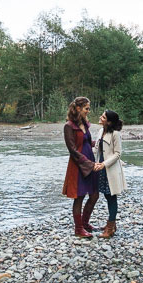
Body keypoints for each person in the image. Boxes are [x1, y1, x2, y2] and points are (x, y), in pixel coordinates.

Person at [62, 97, 100, 238]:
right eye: (86, 108)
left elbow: (87, 143)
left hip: (90, 162)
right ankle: (78, 229)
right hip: (78, 165)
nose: (88, 111)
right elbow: (72, 150)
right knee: (79, 197)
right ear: (78, 108)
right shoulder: (69, 126)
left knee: (94, 194)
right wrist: (89, 164)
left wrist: (101, 143)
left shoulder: (85, 124)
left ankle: (85, 223)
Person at [92, 109, 127, 238]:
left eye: (103, 117)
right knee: (107, 196)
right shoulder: (101, 131)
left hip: (110, 169)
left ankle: (110, 227)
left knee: (111, 197)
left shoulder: (115, 134)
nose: (100, 117)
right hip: (100, 168)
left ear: (109, 121)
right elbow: (97, 149)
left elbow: (118, 154)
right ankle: (111, 224)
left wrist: (104, 164)